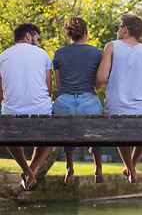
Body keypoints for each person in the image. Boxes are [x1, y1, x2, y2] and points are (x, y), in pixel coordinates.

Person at [95, 14, 142, 184]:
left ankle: (130, 168)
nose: (117, 31)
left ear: (125, 29)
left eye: (118, 28)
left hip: (118, 108)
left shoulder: (112, 46)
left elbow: (100, 78)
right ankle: (132, 165)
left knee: (119, 123)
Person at [0, 23, 52, 190]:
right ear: (29, 36)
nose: (39, 43)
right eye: (37, 39)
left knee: (8, 132)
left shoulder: (2, 56)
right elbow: (49, 91)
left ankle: (27, 170)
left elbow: (0, 95)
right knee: (50, 134)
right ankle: (32, 170)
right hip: (41, 113)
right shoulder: (43, 55)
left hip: (12, 115)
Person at [53, 17, 104, 185]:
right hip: (88, 101)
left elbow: (58, 84)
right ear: (86, 32)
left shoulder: (59, 53)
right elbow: (97, 85)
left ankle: (69, 167)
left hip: (63, 102)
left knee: (68, 131)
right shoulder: (97, 53)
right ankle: (98, 168)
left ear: (68, 35)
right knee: (97, 129)